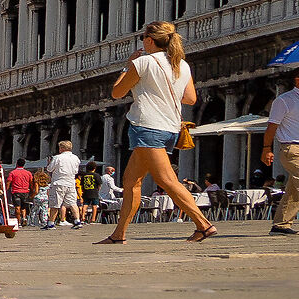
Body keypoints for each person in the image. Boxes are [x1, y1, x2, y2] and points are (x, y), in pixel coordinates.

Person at [103, 21, 213, 243]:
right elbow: (190, 98)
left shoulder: (143, 62)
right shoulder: (181, 64)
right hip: (170, 127)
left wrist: (128, 66)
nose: (142, 41)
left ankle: (203, 224)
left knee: (167, 180)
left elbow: (117, 92)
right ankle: (119, 234)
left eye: (143, 37)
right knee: (131, 180)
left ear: (150, 40)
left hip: (147, 127)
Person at [263, 65, 299, 234]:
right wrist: (266, 148)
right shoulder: (284, 100)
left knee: (293, 188)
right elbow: (271, 127)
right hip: (291, 149)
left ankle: (281, 224)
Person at [43, 137, 82, 228]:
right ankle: (77, 221)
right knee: (72, 203)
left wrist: (49, 163)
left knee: (55, 204)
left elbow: (49, 169)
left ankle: (51, 223)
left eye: (60, 147)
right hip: (71, 183)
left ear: (62, 148)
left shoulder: (58, 157)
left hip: (59, 183)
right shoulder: (76, 158)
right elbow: (76, 171)